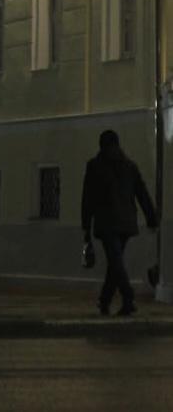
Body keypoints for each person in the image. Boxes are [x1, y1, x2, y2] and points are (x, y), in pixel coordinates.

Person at [82, 130, 158, 316]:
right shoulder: (129, 166)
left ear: (101, 145)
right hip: (127, 222)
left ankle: (128, 297)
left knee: (115, 262)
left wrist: (86, 226)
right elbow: (141, 192)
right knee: (114, 262)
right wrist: (151, 217)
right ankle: (105, 301)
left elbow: (88, 198)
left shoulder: (94, 166)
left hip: (107, 223)